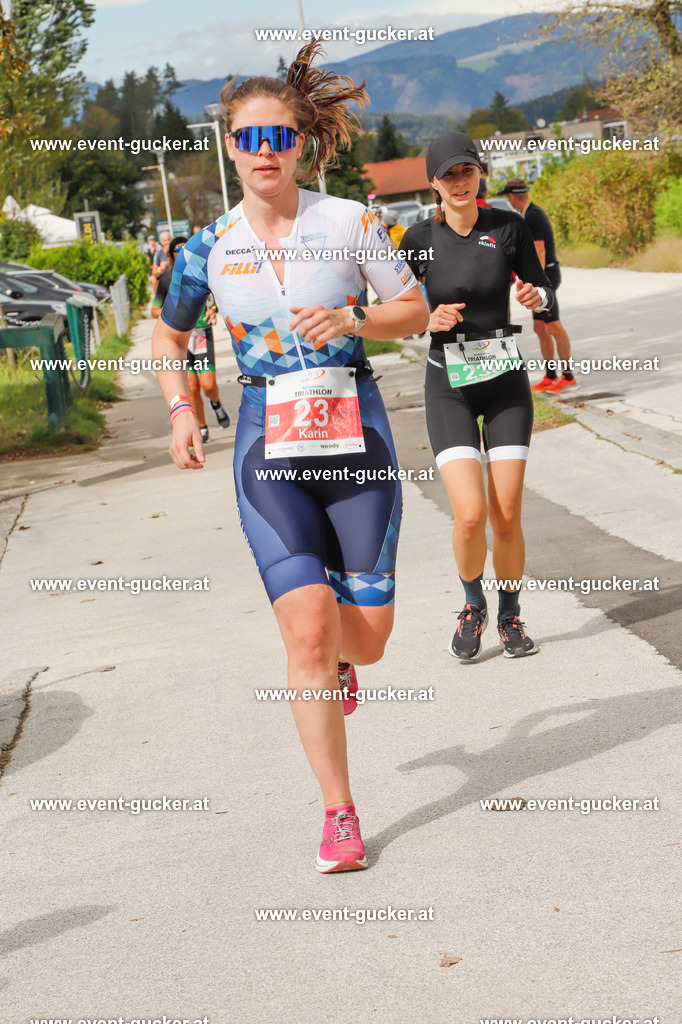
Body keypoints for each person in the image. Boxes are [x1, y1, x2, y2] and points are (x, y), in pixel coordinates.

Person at [152, 42, 429, 872]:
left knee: (366, 639)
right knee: (306, 635)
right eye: (249, 136)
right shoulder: (209, 248)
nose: (264, 150)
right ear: (229, 145)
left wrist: (354, 322)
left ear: (300, 143)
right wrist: (180, 411)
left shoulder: (349, 221)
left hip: (356, 436)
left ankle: (349, 661)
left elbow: (412, 309)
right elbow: (170, 333)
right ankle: (339, 814)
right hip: (269, 447)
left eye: (279, 135)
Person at [401, 131, 556, 661]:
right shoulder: (417, 238)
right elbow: (396, 313)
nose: (459, 181)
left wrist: (536, 295)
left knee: (506, 512)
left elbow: (543, 291)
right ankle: (474, 604)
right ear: (433, 182)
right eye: (448, 174)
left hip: (504, 381)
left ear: (480, 173)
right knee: (469, 514)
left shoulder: (508, 227)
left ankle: (510, 614)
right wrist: (427, 317)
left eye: (467, 170)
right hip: (449, 386)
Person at [499, 178, 576, 394]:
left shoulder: (531, 215)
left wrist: (536, 282)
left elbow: (539, 251)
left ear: (512, 196)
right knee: (540, 327)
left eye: (507, 197)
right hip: (544, 275)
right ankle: (550, 375)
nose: (508, 201)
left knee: (553, 326)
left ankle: (567, 376)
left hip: (547, 276)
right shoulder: (529, 213)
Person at [151, 235, 231, 443]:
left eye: (184, 249)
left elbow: (217, 299)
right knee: (192, 387)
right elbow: (154, 309)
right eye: (176, 250)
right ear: (171, 254)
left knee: (208, 383)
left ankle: (216, 403)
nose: (181, 253)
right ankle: (202, 426)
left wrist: (213, 311)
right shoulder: (167, 278)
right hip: (180, 339)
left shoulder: (203, 272)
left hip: (202, 335)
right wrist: (170, 317)